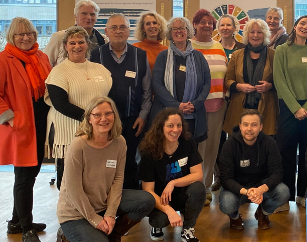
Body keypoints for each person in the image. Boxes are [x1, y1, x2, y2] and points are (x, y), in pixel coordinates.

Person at [53, 97, 155, 242]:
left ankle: (113, 237)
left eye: (108, 113)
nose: (104, 119)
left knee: (146, 200)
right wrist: (95, 219)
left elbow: (117, 180)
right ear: (89, 119)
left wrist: (110, 215)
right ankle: (65, 237)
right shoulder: (78, 146)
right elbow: (73, 190)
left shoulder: (119, 142)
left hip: (103, 204)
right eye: (97, 115)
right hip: (76, 213)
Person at [0, 17, 52, 242]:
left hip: (40, 123)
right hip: (20, 127)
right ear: (11, 37)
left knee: (31, 173)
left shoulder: (41, 57)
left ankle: (16, 221)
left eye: (29, 33)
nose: (25, 37)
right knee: (23, 177)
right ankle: (27, 230)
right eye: (20, 34)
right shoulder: (2, 60)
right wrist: (10, 118)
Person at [45, 26, 113, 190]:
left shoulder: (100, 69)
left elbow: (109, 98)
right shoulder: (58, 72)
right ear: (65, 46)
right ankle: (69, 207)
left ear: (87, 44)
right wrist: (92, 118)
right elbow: (60, 104)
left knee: (94, 178)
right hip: (69, 132)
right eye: (72, 43)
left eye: (81, 42)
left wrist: (99, 121)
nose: (77, 46)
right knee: (69, 181)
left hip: (97, 131)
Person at [90, 14, 152, 190]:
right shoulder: (95, 55)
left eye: (122, 27)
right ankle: (104, 199)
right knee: (104, 161)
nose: (118, 31)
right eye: (114, 28)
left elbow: (147, 90)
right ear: (106, 31)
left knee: (129, 160)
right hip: (103, 121)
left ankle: (129, 201)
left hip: (132, 120)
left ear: (128, 31)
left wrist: (143, 116)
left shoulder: (140, 55)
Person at [273, 14, 307, 210]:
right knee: (285, 152)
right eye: (302, 23)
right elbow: (279, 81)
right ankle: (285, 198)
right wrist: (295, 108)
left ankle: (303, 194)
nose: (305, 27)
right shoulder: (282, 50)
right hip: (288, 107)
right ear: (295, 26)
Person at [138, 108, 206, 242]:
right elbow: (148, 190)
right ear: (160, 127)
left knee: (198, 188)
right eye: (170, 125)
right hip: (159, 198)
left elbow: (198, 175)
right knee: (160, 221)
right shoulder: (148, 150)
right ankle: (157, 226)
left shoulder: (187, 142)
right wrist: (169, 211)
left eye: (179, 125)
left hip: (180, 194)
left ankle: (187, 229)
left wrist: (173, 183)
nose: (175, 130)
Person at [218, 109, 290, 230]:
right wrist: (247, 192)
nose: (249, 129)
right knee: (227, 202)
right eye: (245, 124)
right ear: (240, 126)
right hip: (238, 188)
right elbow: (225, 179)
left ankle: (263, 212)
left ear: (261, 127)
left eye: (254, 125)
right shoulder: (229, 145)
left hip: (261, 185)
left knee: (283, 192)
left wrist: (261, 189)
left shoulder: (269, 143)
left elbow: (277, 173)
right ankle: (235, 217)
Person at [150, 17, 211, 144]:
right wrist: (176, 105)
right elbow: (157, 84)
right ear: (170, 33)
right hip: (167, 113)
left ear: (188, 31)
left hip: (193, 114)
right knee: (168, 148)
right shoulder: (163, 56)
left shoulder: (198, 57)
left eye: (182, 28)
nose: (179, 31)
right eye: (175, 29)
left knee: (190, 149)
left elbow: (206, 83)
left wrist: (195, 104)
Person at [191, 9, 229, 204]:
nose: (206, 25)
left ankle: (205, 186)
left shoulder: (218, 46)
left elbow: (225, 73)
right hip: (195, 106)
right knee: (196, 148)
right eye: (202, 22)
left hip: (217, 103)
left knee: (212, 147)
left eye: (210, 23)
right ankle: (194, 187)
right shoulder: (188, 45)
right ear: (195, 24)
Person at [223, 18, 277, 135]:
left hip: (265, 107)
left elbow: (280, 81)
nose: (255, 35)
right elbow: (227, 80)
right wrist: (239, 86)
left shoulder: (274, 55)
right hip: (240, 107)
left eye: (259, 32)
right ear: (247, 35)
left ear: (265, 34)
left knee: (263, 142)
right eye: (252, 32)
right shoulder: (237, 55)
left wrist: (269, 86)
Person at [44, 0, 107, 66]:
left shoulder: (104, 40)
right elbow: (45, 64)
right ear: (76, 17)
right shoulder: (59, 38)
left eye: (92, 14)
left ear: (96, 18)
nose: (89, 17)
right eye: (84, 14)